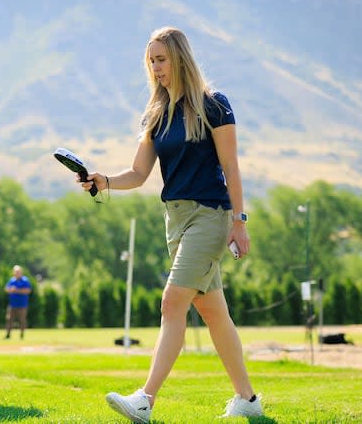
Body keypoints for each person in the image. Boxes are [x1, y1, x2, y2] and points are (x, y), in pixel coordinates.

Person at [81, 27, 262, 422]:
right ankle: (248, 400)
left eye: (161, 59)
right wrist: (103, 181)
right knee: (213, 311)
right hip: (175, 220)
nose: (156, 67)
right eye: (151, 61)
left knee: (172, 302)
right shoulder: (155, 113)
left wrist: (239, 221)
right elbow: (138, 173)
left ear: (179, 57)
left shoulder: (215, 105)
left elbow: (231, 167)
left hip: (209, 215)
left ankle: (146, 399)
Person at [4, 265, 32, 339]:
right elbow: (6, 289)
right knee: (9, 319)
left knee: (22, 320)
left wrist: (16, 290)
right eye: (16, 272)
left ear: (21, 272)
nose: (17, 273)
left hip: (22, 305)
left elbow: (28, 290)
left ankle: (22, 334)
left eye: (18, 272)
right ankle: (8, 334)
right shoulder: (11, 280)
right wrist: (10, 290)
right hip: (12, 304)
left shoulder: (25, 280)